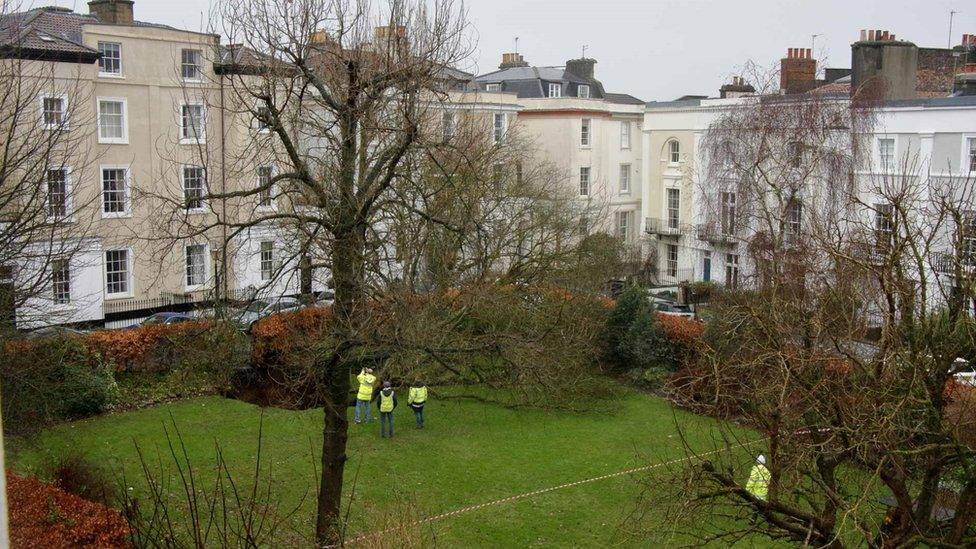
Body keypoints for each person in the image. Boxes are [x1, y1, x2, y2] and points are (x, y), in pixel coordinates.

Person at [746, 454, 770, 524]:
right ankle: (753, 520)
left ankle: (768, 520)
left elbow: (751, 481)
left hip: (756, 492)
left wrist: (747, 490)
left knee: (758, 508)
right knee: (757, 507)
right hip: (763, 493)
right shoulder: (767, 471)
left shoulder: (756, 470)